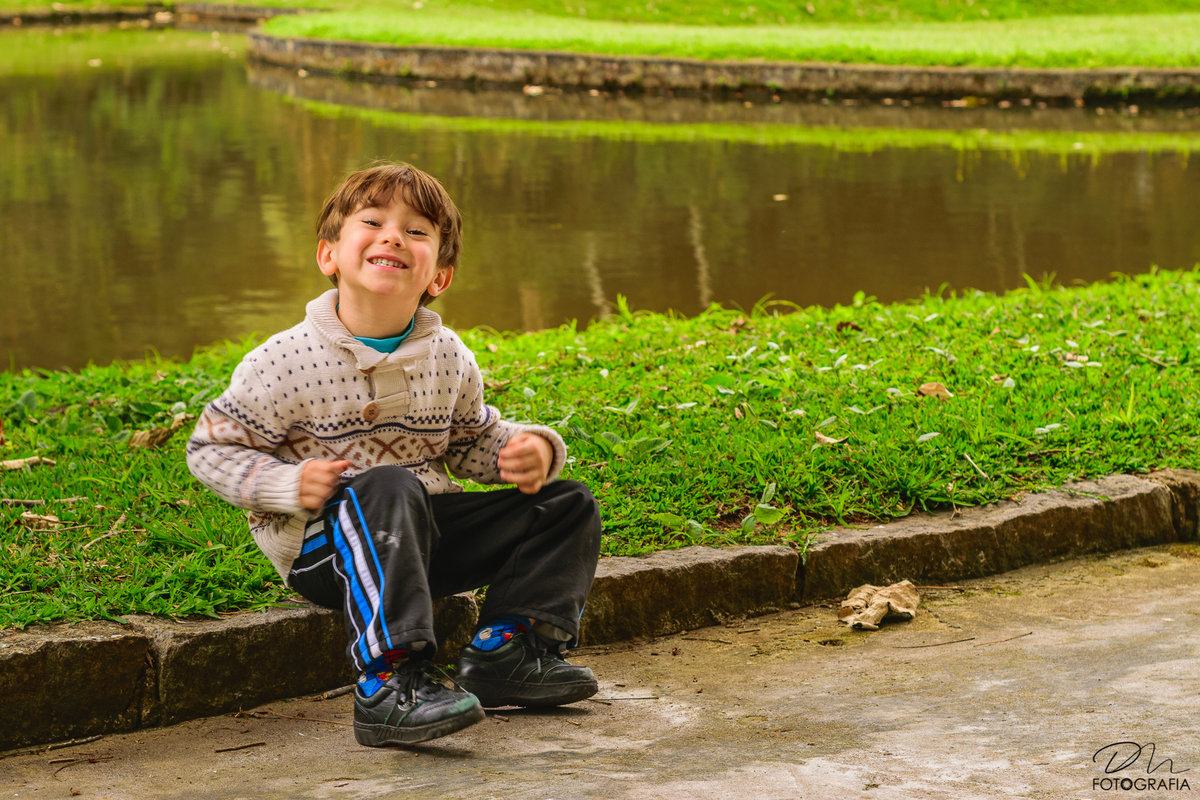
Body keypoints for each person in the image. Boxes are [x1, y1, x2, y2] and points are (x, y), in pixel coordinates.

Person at [186, 163, 602, 747]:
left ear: (441, 275)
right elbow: (210, 448)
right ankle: (389, 683)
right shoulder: (282, 360)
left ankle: (507, 652)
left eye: (416, 230)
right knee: (385, 484)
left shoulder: (449, 356)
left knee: (566, 501)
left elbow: (468, 440)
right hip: (326, 551)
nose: (393, 237)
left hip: (425, 538)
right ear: (329, 255)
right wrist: (284, 484)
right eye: (374, 221)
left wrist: (520, 450)